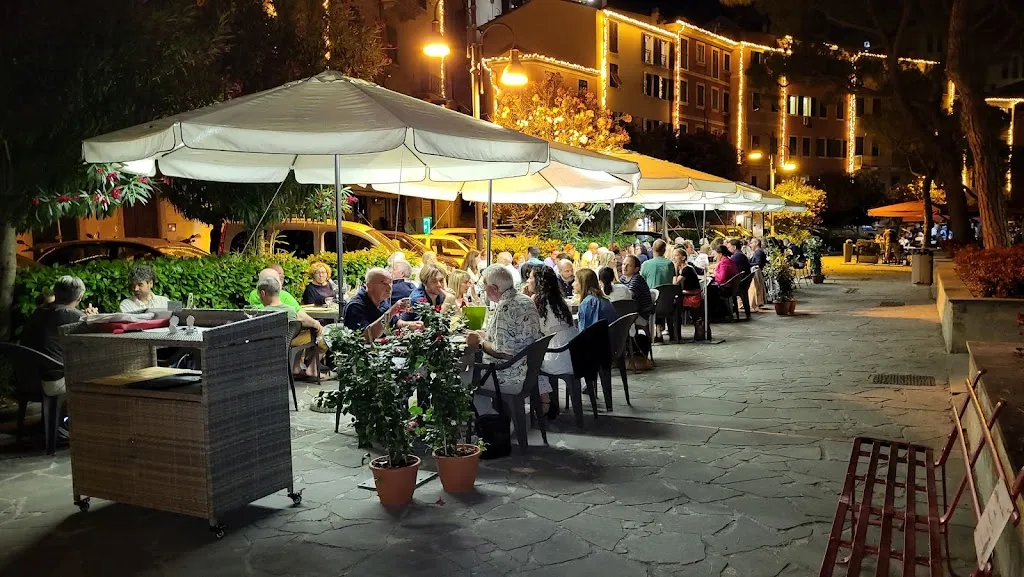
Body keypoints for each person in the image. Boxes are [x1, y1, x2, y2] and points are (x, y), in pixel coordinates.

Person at [463, 265, 542, 415]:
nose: (484, 290)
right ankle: (495, 416)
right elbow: (511, 336)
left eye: (485, 286)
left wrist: (479, 342)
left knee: (459, 378)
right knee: (471, 370)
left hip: (508, 376)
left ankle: (490, 420)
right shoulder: (525, 300)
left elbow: (503, 353)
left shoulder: (505, 308)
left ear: (494, 288)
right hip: (528, 371)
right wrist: (485, 335)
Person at [21, 276, 97, 398]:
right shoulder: (71, 314)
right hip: (53, 382)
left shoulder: (39, 310)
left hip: (27, 380)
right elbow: (96, 333)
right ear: (80, 297)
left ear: (55, 292)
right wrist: (93, 318)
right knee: (102, 371)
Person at [530, 266, 577, 419]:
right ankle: (548, 400)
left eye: (530, 277)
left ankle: (546, 402)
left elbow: (531, 330)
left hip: (558, 355)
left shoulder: (537, 300)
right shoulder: (559, 300)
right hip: (574, 353)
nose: (528, 280)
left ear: (538, 282)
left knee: (530, 362)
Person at [259, 275, 328, 380]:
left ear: (263, 293)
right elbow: (303, 322)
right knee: (321, 333)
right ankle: (311, 368)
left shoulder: (259, 314)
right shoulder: (291, 310)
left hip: (265, 348)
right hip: (289, 342)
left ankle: (297, 367)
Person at [343, 268, 419, 340]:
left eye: (390, 283)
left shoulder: (383, 301)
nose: (389, 288)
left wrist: (412, 325)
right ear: (369, 286)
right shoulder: (355, 306)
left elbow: (395, 323)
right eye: (384, 283)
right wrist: (392, 311)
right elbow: (367, 336)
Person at [620, 255, 654, 320]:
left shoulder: (637, 278)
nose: (625, 267)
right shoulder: (623, 278)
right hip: (631, 311)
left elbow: (629, 295)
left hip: (641, 314)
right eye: (624, 264)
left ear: (636, 269)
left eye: (629, 265)